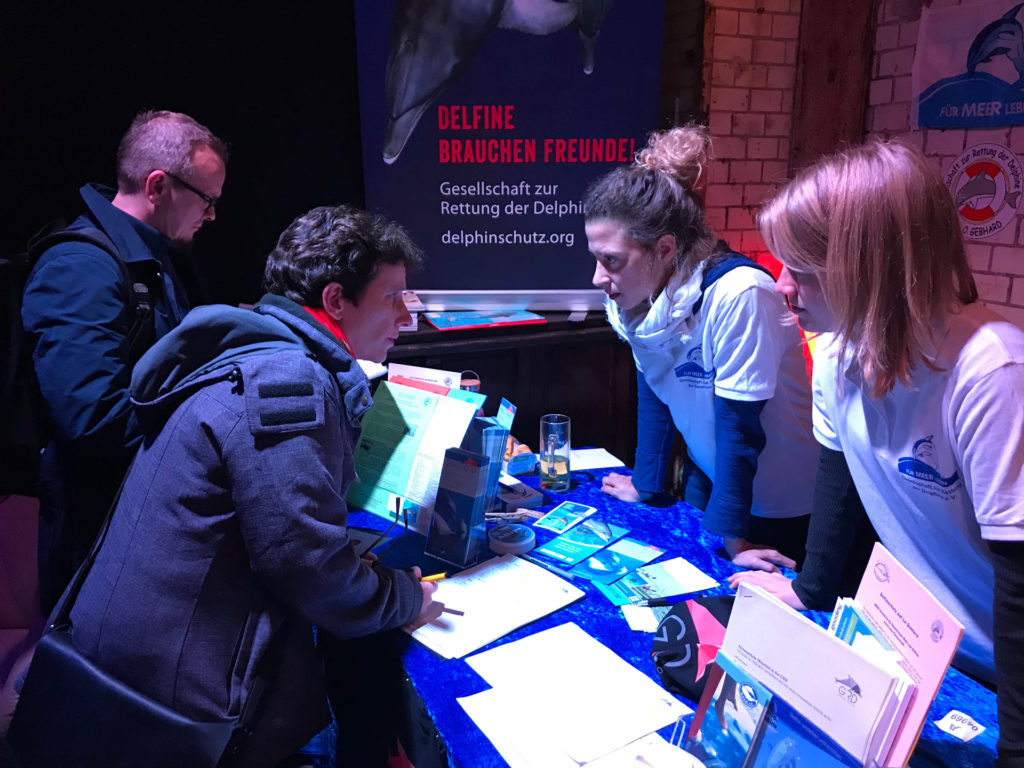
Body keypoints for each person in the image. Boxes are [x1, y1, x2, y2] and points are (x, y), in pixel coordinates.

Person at [52, 204, 441, 765]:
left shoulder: (249, 350)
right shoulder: (289, 377)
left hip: (130, 673)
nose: (407, 318)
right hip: (180, 713)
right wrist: (406, 597)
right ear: (335, 300)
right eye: (393, 297)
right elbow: (308, 568)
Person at [731, 140, 1024, 765]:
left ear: (875, 266)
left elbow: (1022, 583)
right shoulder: (835, 355)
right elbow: (839, 490)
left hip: (1007, 672)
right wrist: (810, 591)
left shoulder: (992, 372)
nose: (783, 287)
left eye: (802, 271)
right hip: (931, 654)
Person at [584, 125, 819, 572]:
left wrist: (737, 542)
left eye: (610, 260)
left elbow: (740, 429)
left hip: (776, 501)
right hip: (712, 480)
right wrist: (647, 484)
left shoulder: (740, 293)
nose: (598, 277)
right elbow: (655, 391)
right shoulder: (640, 296)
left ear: (665, 248)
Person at [21, 109, 229, 614]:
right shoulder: (80, 266)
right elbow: (95, 419)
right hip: (98, 545)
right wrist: (216, 440)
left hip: (138, 526)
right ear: (158, 186)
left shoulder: (153, 258)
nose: (213, 215)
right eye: (207, 199)